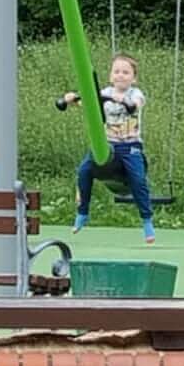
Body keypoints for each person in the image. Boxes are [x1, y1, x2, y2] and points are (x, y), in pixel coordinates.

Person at [62, 54, 155, 242]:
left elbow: (134, 106)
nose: (121, 75)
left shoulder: (136, 94)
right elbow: (89, 104)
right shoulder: (104, 92)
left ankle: (146, 221)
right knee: (84, 170)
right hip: (107, 143)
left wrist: (119, 99)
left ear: (133, 78)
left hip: (130, 146)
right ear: (111, 76)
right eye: (117, 72)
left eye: (126, 72)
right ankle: (82, 212)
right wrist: (72, 99)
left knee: (138, 179)